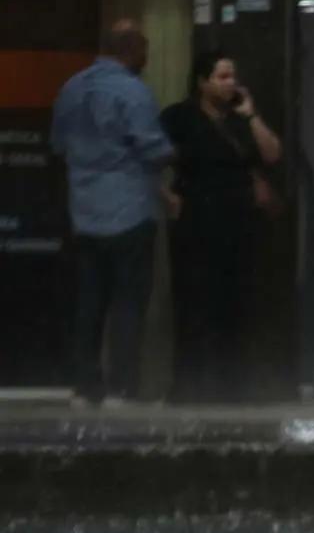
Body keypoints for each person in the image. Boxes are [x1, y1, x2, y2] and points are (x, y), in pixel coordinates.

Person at [50, 20, 176, 407]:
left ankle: (85, 387)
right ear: (131, 48)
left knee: (90, 301)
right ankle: (123, 387)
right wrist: (176, 155)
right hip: (129, 212)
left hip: (84, 211)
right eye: (144, 49)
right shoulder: (133, 92)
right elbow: (152, 148)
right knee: (128, 303)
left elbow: (57, 144)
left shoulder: (71, 88)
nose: (147, 57)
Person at [160, 51, 281, 403]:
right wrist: (164, 192)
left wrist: (252, 115)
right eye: (222, 77)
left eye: (233, 76)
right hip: (196, 219)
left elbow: (272, 153)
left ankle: (233, 385)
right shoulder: (179, 117)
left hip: (237, 220)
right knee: (194, 302)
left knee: (235, 303)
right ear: (202, 82)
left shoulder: (239, 119)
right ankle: (190, 384)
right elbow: (152, 156)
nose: (231, 84)